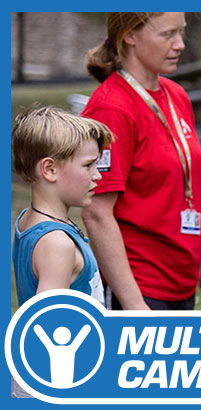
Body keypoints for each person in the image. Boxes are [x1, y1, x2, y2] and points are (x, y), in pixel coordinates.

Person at [81, 12, 201, 311]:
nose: (180, 44)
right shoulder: (111, 108)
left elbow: (185, 189)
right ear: (130, 35)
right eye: (168, 34)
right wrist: (134, 304)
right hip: (140, 290)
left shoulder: (176, 95)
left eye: (181, 32)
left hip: (181, 283)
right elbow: (96, 214)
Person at [10, 106, 113, 398]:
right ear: (50, 169)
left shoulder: (29, 219)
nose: (98, 176)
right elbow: (48, 330)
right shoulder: (56, 243)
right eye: (88, 166)